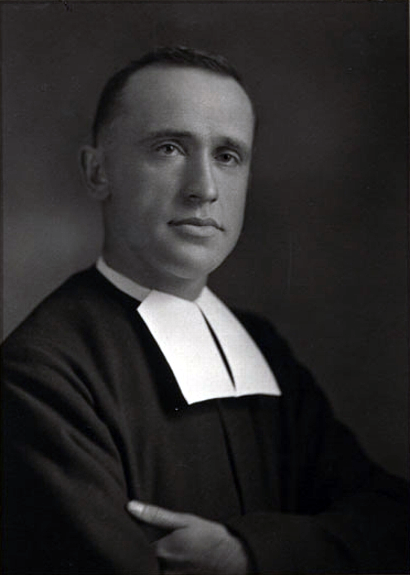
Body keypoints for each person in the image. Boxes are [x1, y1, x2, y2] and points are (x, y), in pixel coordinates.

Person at [1, 46, 409, 575]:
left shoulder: (261, 348)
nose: (205, 189)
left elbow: (392, 524)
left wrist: (248, 554)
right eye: (169, 148)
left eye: (228, 156)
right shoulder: (41, 375)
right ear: (97, 171)